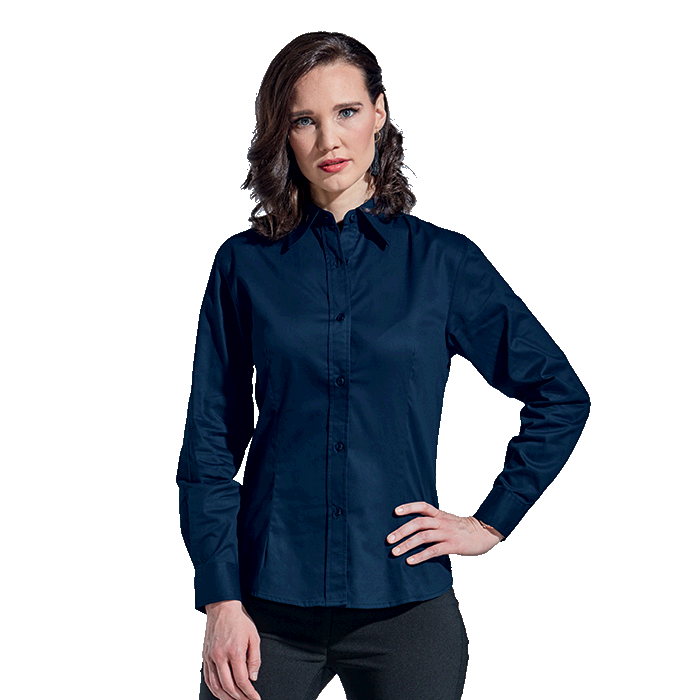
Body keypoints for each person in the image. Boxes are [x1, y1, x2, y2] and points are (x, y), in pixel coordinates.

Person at [176, 31, 591, 700]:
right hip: (264, 606)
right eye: (304, 120)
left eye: (346, 112)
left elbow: (560, 394)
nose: (328, 139)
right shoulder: (244, 266)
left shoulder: (444, 265)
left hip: (406, 603)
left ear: (380, 112)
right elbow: (208, 443)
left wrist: (489, 522)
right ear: (283, 135)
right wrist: (221, 600)